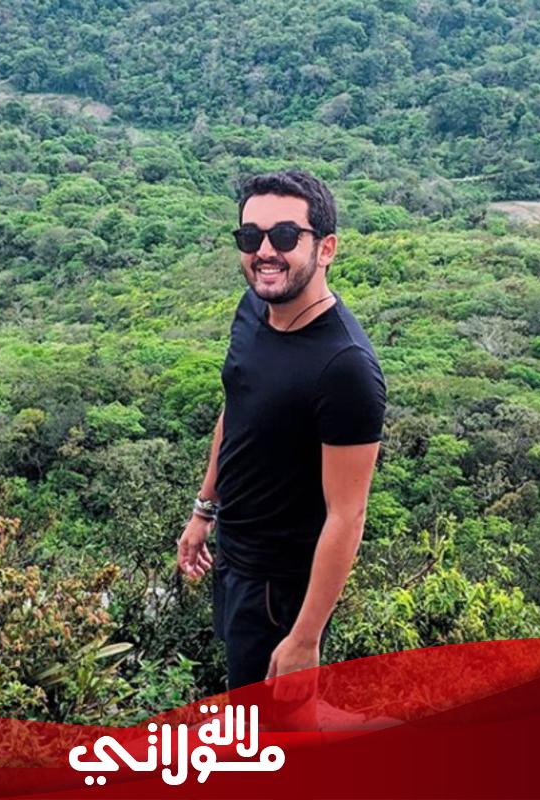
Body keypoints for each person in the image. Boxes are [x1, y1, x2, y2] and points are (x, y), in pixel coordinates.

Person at [176, 169, 386, 692]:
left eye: (286, 236)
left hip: (282, 590)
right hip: (235, 556)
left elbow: (347, 515)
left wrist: (305, 637)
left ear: (326, 248)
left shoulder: (345, 367)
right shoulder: (254, 309)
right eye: (251, 237)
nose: (265, 251)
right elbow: (237, 410)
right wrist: (205, 509)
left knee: (272, 724)